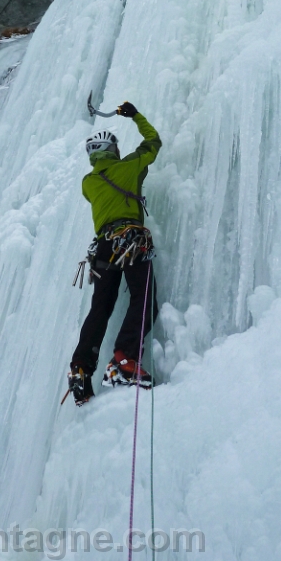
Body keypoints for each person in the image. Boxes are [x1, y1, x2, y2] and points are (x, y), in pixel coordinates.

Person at [67, 102, 161, 406]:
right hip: (129, 239)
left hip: (103, 249)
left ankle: (81, 368)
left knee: (101, 307)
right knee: (144, 297)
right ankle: (124, 358)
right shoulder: (128, 166)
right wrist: (135, 115)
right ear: (114, 150)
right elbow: (153, 143)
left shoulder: (89, 182)